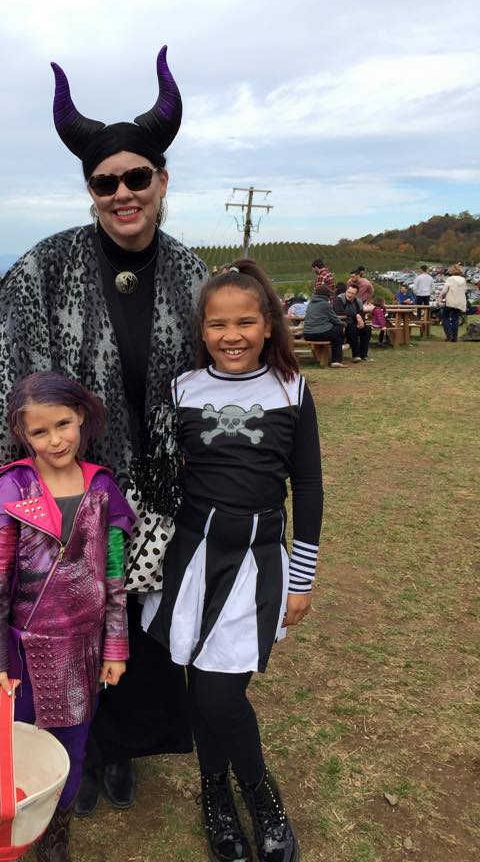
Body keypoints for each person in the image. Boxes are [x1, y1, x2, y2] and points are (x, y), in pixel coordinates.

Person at [0, 47, 206, 861]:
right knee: (60, 626)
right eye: (105, 182)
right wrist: (6, 476)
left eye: (138, 177)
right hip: (67, 491)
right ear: (89, 189)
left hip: (154, 491)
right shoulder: (45, 267)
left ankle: (120, 752)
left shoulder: (192, 274)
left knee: (134, 624)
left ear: (161, 180)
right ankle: (70, 757)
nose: (123, 193)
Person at [141, 261, 323, 862]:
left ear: (270, 324)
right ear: (202, 330)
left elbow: (310, 487)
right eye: (217, 324)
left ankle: (257, 792)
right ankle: (214, 792)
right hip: (191, 559)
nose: (232, 334)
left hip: (256, 558)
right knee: (199, 680)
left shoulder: (291, 389)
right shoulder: (184, 389)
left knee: (221, 693)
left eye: (246, 321)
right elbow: (159, 478)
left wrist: (302, 578)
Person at [0, 372, 136, 861]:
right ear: (23, 435)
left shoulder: (103, 488)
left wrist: (116, 648)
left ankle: (54, 838)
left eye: (63, 424)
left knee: (70, 750)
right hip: (19, 653)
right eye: (39, 432)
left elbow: (115, 577)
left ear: (80, 417)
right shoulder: (12, 488)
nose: (55, 439)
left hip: (81, 653)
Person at [303, 284, 347, 367]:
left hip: (307, 334)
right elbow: (335, 319)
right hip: (320, 333)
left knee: (335, 332)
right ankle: (336, 360)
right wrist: (344, 324)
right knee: (339, 329)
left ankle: (334, 355)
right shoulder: (325, 304)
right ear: (326, 295)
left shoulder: (310, 304)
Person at [334, 283, 372, 362]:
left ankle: (363, 355)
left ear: (356, 294)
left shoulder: (358, 302)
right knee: (352, 328)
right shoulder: (339, 299)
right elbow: (340, 312)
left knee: (367, 329)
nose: (350, 295)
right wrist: (356, 315)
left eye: (352, 293)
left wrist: (361, 323)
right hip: (342, 324)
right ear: (346, 291)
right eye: (348, 292)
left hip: (354, 322)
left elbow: (361, 314)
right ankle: (356, 355)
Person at [438, 263, 468, 342]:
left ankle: (449, 334)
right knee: (455, 319)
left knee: (445, 317)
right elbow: (465, 290)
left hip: (450, 301)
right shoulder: (463, 280)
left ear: (452, 271)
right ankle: (454, 337)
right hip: (459, 302)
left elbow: (444, 290)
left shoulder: (450, 278)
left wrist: (440, 297)